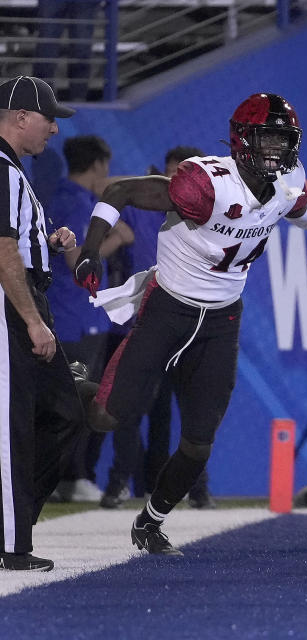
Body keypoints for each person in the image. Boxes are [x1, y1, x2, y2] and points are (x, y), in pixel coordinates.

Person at [72, 92, 307, 556]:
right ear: (242, 140)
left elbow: (305, 213)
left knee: (199, 441)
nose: (276, 149)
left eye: (283, 139)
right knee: (106, 416)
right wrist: (90, 250)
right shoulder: (208, 183)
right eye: (267, 138)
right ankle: (68, 386)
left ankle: (150, 523)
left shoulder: (288, 178)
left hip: (222, 319)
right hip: (168, 308)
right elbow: (120, 191)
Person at [98, 145, 216, 510]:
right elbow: (105, 186)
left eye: (186, 174)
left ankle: (189, 490)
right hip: (145, 324)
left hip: (190, 326)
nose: (177, 184)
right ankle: (119, 484)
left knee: (185, 413)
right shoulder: (145, 204)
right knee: (128, 409)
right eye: (171, 175)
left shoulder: (212, 212)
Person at [0, 75, 83, 571]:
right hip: (12, 303)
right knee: (14, 427)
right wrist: (31, 320)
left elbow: (15, 246)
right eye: (48, 119)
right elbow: (2, 249)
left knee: (64, 414)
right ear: (21, 118)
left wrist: (43, 246)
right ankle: (12, 543)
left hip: (24, 295)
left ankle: (15, 520)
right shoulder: (2, 169)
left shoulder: (11, 169)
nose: (54, 129)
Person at [45, 135, 133, 504]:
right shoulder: (79, 202)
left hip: (67, 315)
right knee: (77, 402)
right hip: (75, 318)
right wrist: (116, 240)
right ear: (98, 165)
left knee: (64, 402)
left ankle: (66, 477)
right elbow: (76, 261)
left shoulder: (57, 197)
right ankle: (73, 476)